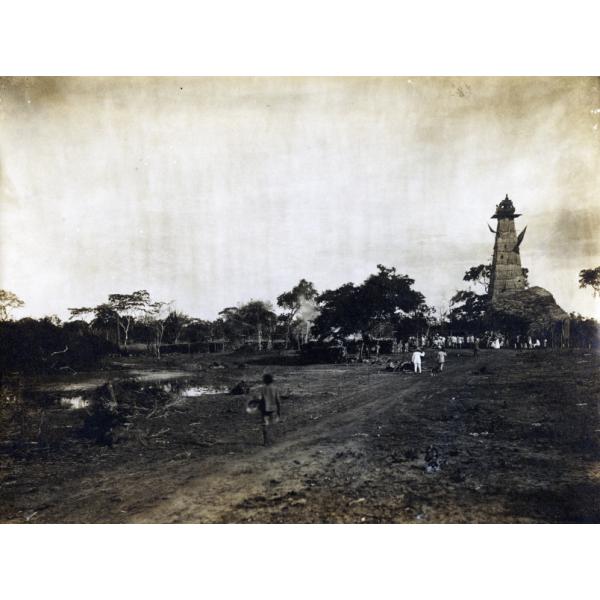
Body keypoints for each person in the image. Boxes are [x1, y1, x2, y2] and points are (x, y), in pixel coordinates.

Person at [258, 373, 281, 446]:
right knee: (272, 425)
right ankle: (272, 440)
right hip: (273, 408)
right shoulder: (275, 388)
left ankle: (265, 442)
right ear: (272, 380)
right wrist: (279, 410)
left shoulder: (262, 388)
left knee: (265, 425)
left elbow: (261, 399)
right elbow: (278, 400)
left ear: (264, 380)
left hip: (264, 408)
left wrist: (259, 407)